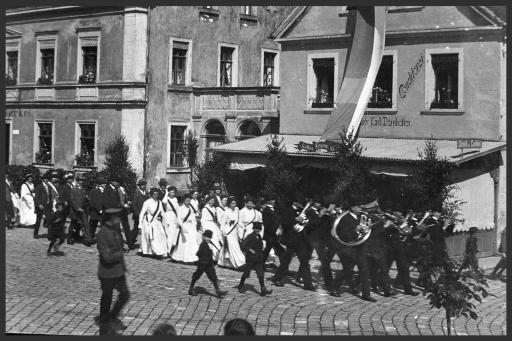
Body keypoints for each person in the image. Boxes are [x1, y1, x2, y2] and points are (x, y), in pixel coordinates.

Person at [96, 208, 130, 335]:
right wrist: (121, 252)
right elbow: (107, 257)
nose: (119, 220)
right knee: (107, 297)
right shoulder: (102, 234)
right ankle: (104, 322)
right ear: (110, 220)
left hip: (119, 271)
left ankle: (111, 317)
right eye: (117, 218)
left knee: (125, 295)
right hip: (107, 272)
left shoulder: (115, 230)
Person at [273, 200, 315, 291]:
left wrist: (306, 222)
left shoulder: (302, 211)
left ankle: (308, 284)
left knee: (304, 262)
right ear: (295, 202)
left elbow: (306, 223)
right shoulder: (287, 210)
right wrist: (295, 219)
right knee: (286, 261)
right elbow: (283, 222)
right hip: (291, 239)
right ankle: (277, 278)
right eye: (299, 201)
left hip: (301, 240)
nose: (302, 203)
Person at [188, 229, 228, 298]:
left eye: (209, 237)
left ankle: (218, 291)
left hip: (209, 264)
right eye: (207, 237)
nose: (208, 239)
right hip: (202, 264)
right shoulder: (202, 244)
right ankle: (191, 289)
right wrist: (202, 260)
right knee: (196, 276)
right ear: (203, 237)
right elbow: (198, 253)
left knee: (213, 277)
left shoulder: (209, 244)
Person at [238, 222, 272, 296]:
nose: (257, 230)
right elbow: (242, 245)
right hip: (250, 259)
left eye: (259, 229)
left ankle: (263, 289)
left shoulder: (259, 237)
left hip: (258, 259)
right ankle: (240, 286)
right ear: (253, 229)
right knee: (246, 273)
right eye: (256, 229)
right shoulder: (249, 236)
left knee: (261, 274)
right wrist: (250, 249)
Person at [102, 176, 132, 251]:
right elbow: (106, 203)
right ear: (113, 182)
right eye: (117, 182)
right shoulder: (107, 189)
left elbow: (118, 201)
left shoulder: (115, 189)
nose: (119, 184)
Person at [138, 188, 167, 258]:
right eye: (154, 194)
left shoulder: (159, 202)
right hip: (148, 221)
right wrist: (140, 225)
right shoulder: (147, 202)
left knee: (160, 235)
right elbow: (141, 214)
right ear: (151, 195)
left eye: (157, 194)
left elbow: (162, 212)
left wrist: (166, 219)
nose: (156, 196)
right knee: (148, 236)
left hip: (156, 221)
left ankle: (159, 251)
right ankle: (148, 251)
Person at [218, 197, 245, 269]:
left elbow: (239, 221)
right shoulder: (226, 212)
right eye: (232, 203)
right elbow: (222, 223)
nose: (234, 205)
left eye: (235, 203)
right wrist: (223, 233)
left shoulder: (237, 211)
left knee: (232, 246)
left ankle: (223, 262)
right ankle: (240, 263)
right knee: (233, 247)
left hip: (235, 232)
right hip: (228, 232)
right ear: (229, 204)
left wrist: (242, 228)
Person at [172, 194, 200, 263]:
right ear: (184, 200)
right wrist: (182, 227)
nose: (188, 202)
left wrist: (194, 224)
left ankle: (193, 258)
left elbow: (193, 217)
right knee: (185, 243)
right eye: (187, 200)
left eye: (189, 200)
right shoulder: (180, 208)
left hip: (191, 226)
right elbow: (178, 219)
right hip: (184, 226)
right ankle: (183, 257)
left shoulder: (190, 208)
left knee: (193, 242)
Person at [68, 173, 92, 246]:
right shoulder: (73, 189)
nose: (81, 181)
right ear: (77, 180)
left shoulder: (83, 189)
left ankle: (88, 240)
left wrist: (87, 199)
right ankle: (69, 238)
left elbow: (85, 199)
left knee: (86, 225)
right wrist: (77, 208)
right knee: (73, 225)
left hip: (83, 210)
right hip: (76, 211)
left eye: (82, 180)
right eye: (80, 180)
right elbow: (72, 200)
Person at [261, 197, 285, 267]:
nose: (274, 201)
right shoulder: (266, 210)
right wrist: (275, 230)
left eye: (274, 200)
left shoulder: (274, 209)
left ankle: (261, 266)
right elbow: (267, 224)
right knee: (280, 250)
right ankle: (283, 268)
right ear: (268, 201)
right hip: (270, 235)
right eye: (272, 200)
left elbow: (277, 220)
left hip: (273, 235)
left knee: (267, 251)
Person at [162, 186, 179, 256]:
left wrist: (178, 217)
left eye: (174, 192)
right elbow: (164, 201)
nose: (173, 193)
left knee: (172, 234)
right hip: (167, 216)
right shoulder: (166, 198)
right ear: (168, 192)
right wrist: (166, 193)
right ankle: (166, 251)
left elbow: (177, 208)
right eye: (171, 192)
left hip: (174, 216)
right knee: (167, 234)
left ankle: (169, 250)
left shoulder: (175, 199)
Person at [34, 173, 52, 239]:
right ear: (43, 179)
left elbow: (50, 196)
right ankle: (35, 234)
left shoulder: (49, 187)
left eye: (47, 179)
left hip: (48, 206)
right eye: (45, 178)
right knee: (38, 221)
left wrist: (51, 205)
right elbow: (36, 197)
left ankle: (49, 235)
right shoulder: (39, 186)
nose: (46, 180)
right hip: (41, 206)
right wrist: (39, 204)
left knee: (49, 220)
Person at [88, 176, 106, 243]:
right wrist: (99, 209)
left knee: (103, 226)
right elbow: (93, 202)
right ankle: (90, 239)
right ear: (100, 184)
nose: (105, 185)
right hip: (95, 212)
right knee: (92, 227)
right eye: (104, 184)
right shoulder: (94, 191)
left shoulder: (105, 191)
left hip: (102, 213)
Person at [132, 179, 148, 243]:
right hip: (138, 215)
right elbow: (133, 205)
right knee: (136, 229)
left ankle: (145, 244)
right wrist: (137, 214)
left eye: (145, 185)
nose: (144, 186)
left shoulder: (147, 194)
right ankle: (131, 242)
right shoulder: (137, 194)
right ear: (139, 186)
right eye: (142, 185)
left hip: (145, 215)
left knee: (145, 229)